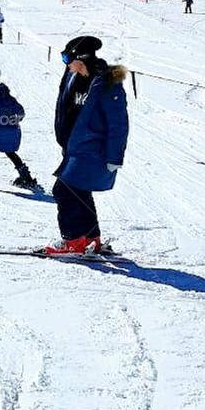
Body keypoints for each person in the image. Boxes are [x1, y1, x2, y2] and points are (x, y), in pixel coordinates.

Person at [48, 35, 128, 255]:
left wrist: (115, 158)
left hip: (94, 149)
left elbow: (119, 124)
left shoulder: (106, 84)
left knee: (63, 190)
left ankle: (73, 241)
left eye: (67, 58)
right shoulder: (73, 77)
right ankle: (92, 239)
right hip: (74, 148)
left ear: (81, 58)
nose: (65, 63)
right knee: (79, 192)